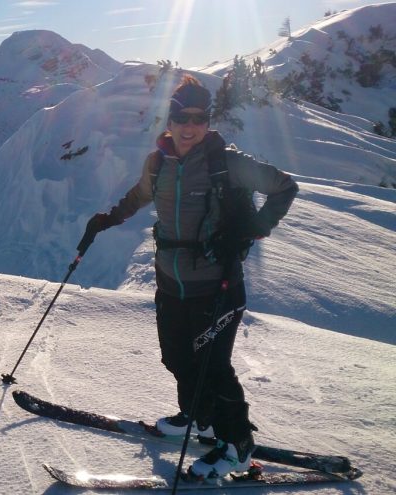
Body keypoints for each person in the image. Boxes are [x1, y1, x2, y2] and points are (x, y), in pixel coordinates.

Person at [78, 75, 298, 481]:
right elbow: (137, 197)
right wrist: (105, 220)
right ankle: (200, 418)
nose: (190, 125)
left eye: (199, 117)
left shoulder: (225, 163)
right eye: (183, 116)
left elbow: (284, 187)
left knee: (214, 368)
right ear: (171, 118)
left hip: (219, 284)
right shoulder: (158, 163)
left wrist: (254, 229)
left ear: (208, 120)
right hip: (171, 282)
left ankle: (239, 448)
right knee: (177, 358)